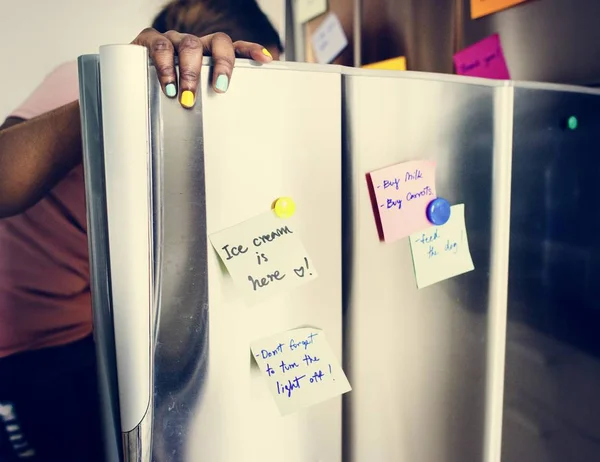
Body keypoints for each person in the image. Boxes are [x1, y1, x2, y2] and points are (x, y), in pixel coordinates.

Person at [0, 0, 283, 460]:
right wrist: (117, 90)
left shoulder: (192, 124)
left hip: (91, 333)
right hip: (22, 347)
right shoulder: (80, 80)